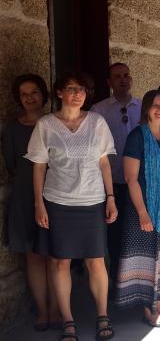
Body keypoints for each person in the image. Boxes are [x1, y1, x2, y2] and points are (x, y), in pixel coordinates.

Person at [26, 71, 117, 341]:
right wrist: (39, 204)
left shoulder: (97, 122)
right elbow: (39, 167)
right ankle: (68, 320)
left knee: (96, 262)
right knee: (60, 262)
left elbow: (104, 163)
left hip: (92, 201)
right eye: (71, 88)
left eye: (82, 89)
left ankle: (102, 315)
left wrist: (111, 198)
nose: (77, 93)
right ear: (59, 93)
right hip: (58, 202)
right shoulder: (45, 125)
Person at [114, 90, 160, 327]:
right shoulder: (136, 137)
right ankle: (148, 308)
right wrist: (143, 213)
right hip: (142, 208)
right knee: (145, 257)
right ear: (146, 108)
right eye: (155, 105)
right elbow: (130, 178)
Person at [2, 74, 60, 331]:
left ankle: (59, 310)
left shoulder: (56, 123)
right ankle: (43, 311)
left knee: (56, 255)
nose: (29, 98)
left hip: (57, 195)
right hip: (25, 198)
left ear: (44, 94)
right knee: (34, 256)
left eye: (34, 92)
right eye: (24, 94)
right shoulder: (12, 128)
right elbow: (12, 164)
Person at [91, 62, 142, 282]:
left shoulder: (142, 107)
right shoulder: (98, 110)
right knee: (113, 236)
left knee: (136, 234)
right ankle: (115, 284)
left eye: (126, 75)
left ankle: (134, 282)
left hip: (138, 183)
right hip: (110, 184)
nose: (123, 79)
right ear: (109, 82)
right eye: (117, 76)